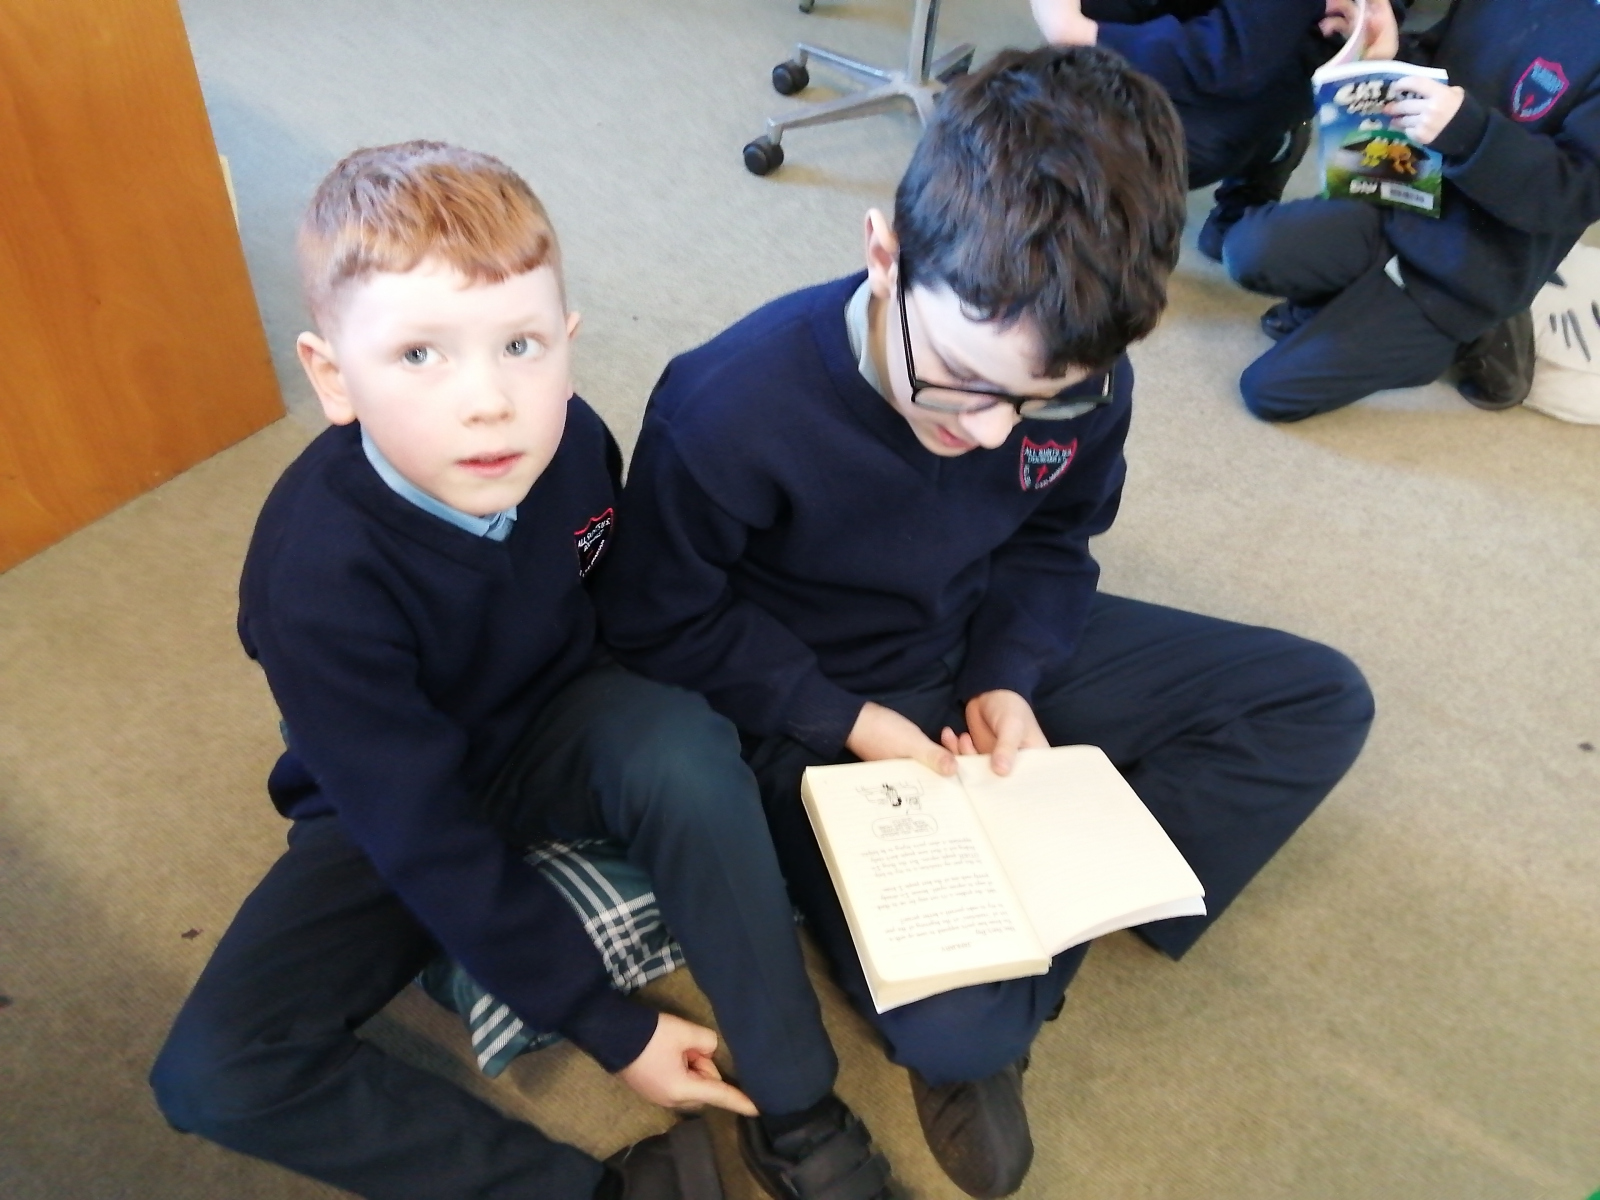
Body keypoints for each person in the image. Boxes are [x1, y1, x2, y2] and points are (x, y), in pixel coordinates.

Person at [596, 46, 1375, 1200]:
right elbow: (657, 623)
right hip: (810, 704)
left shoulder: (1081, 373)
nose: (995, 433)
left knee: (1317, 701)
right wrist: (846, 720)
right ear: (885, 254)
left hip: (972, 645)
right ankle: (996, 983)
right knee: (961, 1035)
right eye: (962, 379)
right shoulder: (728, 404)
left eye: (1038, 398)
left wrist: (1010, 675)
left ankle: (1033, 911)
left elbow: (1055, 541)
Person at [148, 141, 897, 1200]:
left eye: (520, 345)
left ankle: (799, 1107)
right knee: (213, 1074)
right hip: (392, 796)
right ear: (332, 377)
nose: (490, 401)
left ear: (568, 343)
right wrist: (611, 1027)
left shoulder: (575, 441)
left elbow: (619, 609)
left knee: (683, 751)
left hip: (554, 717)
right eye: (420, 355)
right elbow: (419, 832)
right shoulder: (312, 580)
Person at [1220, 0, 1600, 420]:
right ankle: (1351, 300)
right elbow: (1443, 65)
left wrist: (1469, 133)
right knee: (1248, 248)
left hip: (1470, 271)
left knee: (1268, 392)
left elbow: (1573, 194)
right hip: (1398, 199)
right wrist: (1391, 53)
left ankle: (1468, 335)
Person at [1031, 0, 1339, 260]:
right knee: (1068, 107)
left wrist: (1080, 33)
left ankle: (1270, 147)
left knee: (1147, 151)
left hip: (1253, 59)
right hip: (1204, 28)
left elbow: (1226, 58)